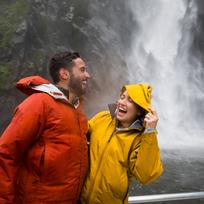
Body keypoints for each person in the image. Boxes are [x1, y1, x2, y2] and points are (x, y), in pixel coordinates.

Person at [0, 51, 90, 203]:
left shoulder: (79, 115)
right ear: (64, 74)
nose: (88, 75)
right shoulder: (39, 103)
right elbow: (6, 153)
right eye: (82, 70)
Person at [80, 83, 163, 204]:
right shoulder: (102, 118)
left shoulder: (140, 139)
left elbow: (146, 175)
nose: (121, 102)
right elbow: (78, 135)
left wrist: (150, 131)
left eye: (130, 100)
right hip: (79, 199)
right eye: (122, 97)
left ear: (140, 110)